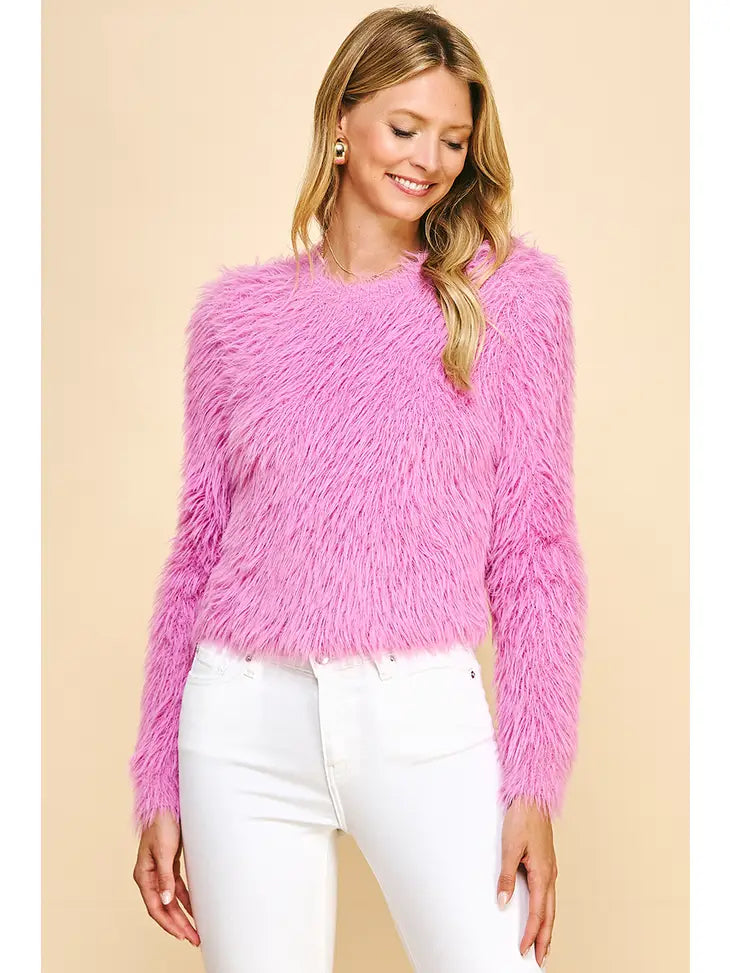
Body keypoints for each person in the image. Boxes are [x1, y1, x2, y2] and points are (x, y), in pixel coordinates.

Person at [129, 7, 588, 972]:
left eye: (454, 139)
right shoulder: (235, 321)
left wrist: (534, 780)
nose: (430, 161)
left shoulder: (509, 299)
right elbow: (200, 546)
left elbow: (535, 550)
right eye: (405, 127)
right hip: (242, 718)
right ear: (342, 120)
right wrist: (157, 778)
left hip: (421, 712)